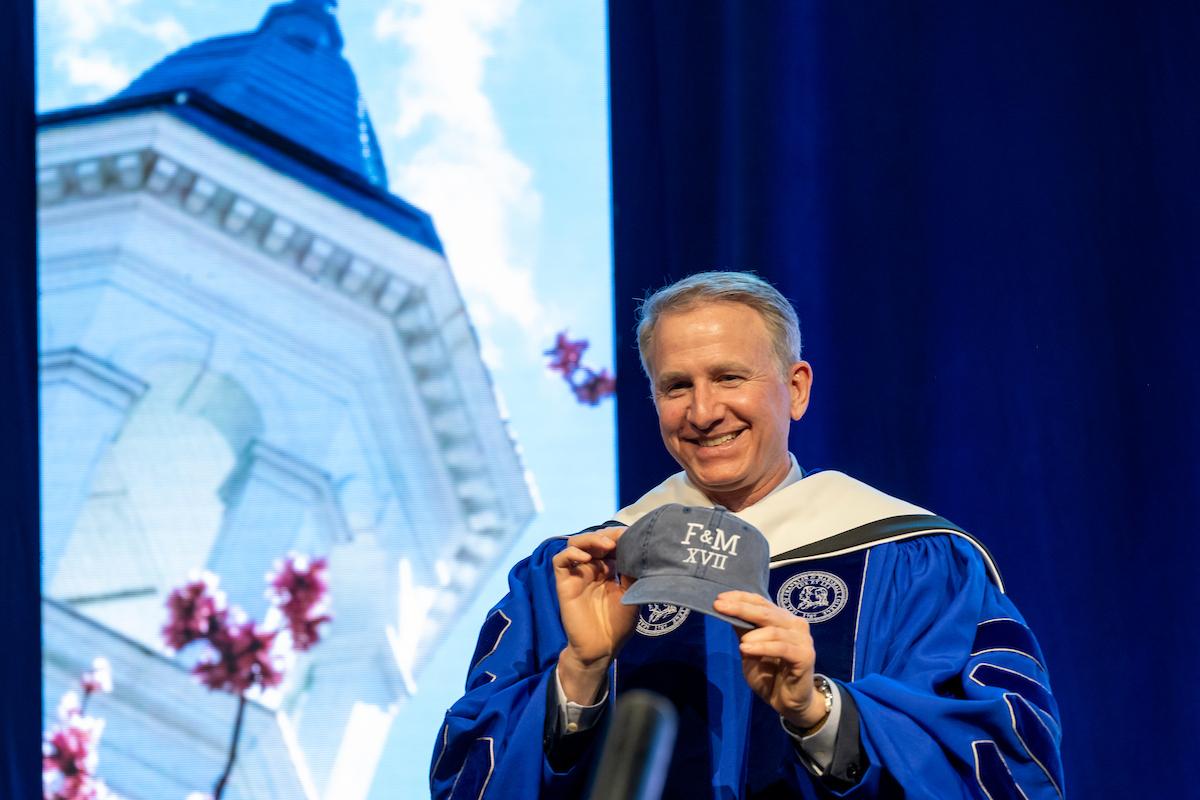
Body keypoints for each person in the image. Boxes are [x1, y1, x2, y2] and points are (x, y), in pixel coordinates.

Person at [430, 272, 1062, 799]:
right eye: (677, 386)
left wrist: (820, 714)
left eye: (729, 378)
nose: (703, 413)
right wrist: (579, 676)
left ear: (795, 390)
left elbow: (1006, 763)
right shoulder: (574, 576)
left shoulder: (916, 562)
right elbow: (465, 777)